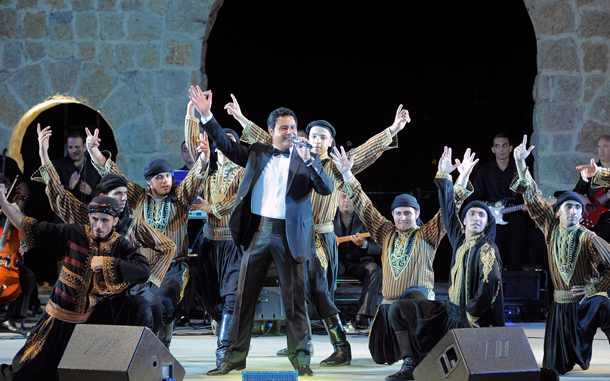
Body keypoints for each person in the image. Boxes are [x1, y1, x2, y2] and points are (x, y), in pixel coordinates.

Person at [225, 93, 409, 365]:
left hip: (320, 238)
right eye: (313, 135)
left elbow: (368, 150)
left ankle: (340, 347)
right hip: (291, 237)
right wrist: (241, 120)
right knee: (296, 292)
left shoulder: (333, 165)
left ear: (331, 142)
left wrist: (392, 130)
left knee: (317, 292)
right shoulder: (294, 158)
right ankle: (300, 345)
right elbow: (268, 140)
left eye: (323, 137)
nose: (317, 140)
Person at [190, 87, 334, 377]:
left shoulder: (306, 159)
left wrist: (310, 162)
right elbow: (227, 146)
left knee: (294, 301)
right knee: (244, 298)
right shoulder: (257, 152)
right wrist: (206, 114)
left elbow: (326, 188)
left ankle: (301, 357)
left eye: (294, 127)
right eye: (284, 128)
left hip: (291, 235)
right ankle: (231, 358)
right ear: (271, 131)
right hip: (259, 231)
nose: (290, 132)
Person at [331, 146, 476, 367]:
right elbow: (365, 206)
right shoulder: (386, 233)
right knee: (381, 355)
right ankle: (407, 356)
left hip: (420, 314)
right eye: (398, 213)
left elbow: (449, 208)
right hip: (389, 312)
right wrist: (348, 174)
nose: (402, 217)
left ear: (417, 214)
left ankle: (412, 361)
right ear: (392, 215)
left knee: (415, 358)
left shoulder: (427, 234)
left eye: (407, 213)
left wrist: (461, 177)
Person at [33, 123, 176, 339]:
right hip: (90, 285)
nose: (123, 198)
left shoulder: (131, 223)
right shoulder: (87, 215)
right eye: (117, 194)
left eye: (125, 194)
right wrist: (44, 154)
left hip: (125, 285)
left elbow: (167, 246)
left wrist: (151, 279)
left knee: (153, 304)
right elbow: (58, 195)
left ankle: (153, 351)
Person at [0, 194, 152, 381]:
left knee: (139, 305)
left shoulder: (120, 245)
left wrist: (106, 263)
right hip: (58, 320)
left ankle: (136, 367)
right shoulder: (73, 233)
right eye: (95, 219)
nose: (98, 225)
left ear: (115, 221)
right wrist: (3, 202)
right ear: (89, 217)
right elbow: (32, 228)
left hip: (91, 321)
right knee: (24, 374)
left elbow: (144, 270)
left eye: (105, 220)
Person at [383, 147, 504, 381]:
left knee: (452, 372)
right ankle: (410, 363)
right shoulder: (460, 240)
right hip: (448, 313)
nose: (476, 218)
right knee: (398, 308)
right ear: (465, 219)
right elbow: (448, 210)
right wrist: (448, 177)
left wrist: (473, 313)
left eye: (482, 215)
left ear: (488, 222)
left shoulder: (487, 247)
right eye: (472, 214)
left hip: (470, 320)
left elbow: (492, 282)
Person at [85, 120, 210, 348]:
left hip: (173, 267)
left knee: (162, 301)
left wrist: (203, 158)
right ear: (149, 181)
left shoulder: (179, 198)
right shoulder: (139, 197)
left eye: (168, 176)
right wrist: (93, 150)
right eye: (159, 177)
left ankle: (161, 349)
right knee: (138, 304)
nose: (165, 181)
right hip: (143, 267)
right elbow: (114, 175)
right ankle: (141, 351)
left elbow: (194, 180)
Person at [513, 135, 610, 375]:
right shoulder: (551, 229)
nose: (575, 211)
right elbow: (534, 200)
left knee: (605, 305)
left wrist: (596, 287)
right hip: (559, 309)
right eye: (569, 206)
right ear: (558, 213)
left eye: (579, 207)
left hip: (585, 306)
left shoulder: (589, 237)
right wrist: (521, 165)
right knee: (553, 369)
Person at [184, 103, 245, 367]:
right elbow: (197, 145)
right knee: (211, 299)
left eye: (229, 141)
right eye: (221, 142)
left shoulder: (243, 172)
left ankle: (223, 354)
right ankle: (226, 334)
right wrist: (191, 117)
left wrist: (213, 207)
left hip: (233, 243)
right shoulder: (208, 175)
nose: (223, 145)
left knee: (232, 296)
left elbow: (242, 197)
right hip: (210, 243)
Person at [466, 132, 528, 270]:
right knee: (492, 263)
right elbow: (474, 197)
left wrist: (527, 206)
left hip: (515, 222)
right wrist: (487, 212)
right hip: (492, 225)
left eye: (504, 146)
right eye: (497, 146)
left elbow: (529, 192)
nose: (501, 149)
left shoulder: (519, 170)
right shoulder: (485, 171)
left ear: (510, 148)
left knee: (515, 263)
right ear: (493, 149)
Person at [333, 191, 382, 328]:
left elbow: (379, 247)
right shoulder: (329, 217)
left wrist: (364, 244)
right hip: (338, 261)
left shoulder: (367, 219)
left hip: (359, 262)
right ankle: (330, 314)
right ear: (337, 199)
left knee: (375, 270)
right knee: (325, 267)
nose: (346, 200)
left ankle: (364, 315)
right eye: (343, 196)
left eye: (350, 197)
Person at [573, 135, 610, 243]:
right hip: (592, 217)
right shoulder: (589, 170)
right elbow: (576, 191)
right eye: (599, 147)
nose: (601, 150)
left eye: (605, 147)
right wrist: (580, 197)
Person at [51, 129, 101, 205]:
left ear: (84, 146)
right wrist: (68, 187)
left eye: (77, 147)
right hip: (65, 213)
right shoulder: (58, 165)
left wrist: (91, 192)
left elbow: (106, 192)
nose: (73, 150)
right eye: (70, 147)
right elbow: (51, 191)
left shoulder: (95, 166)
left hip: (89, 212)